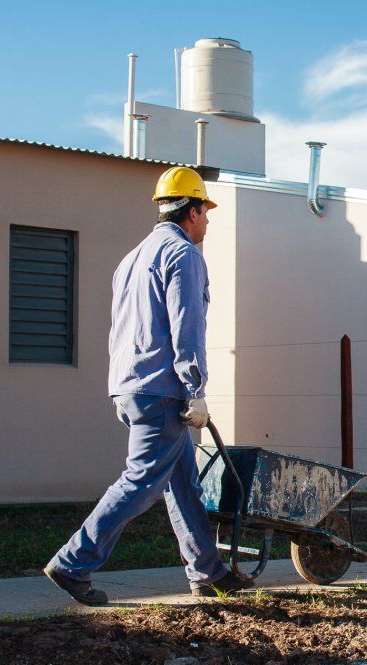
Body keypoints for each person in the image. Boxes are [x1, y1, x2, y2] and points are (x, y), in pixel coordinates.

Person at [44, 167, 252, 605]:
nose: (209, 222)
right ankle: (73, 562)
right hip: (162, 390)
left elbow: (123, 327)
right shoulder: (183, 255)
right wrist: (195, 387)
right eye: (206, 212)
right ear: (192, 211)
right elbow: (187, 325)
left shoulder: (134, 257)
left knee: (182, 484)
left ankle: (208, 572)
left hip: (129, 385)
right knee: (139, 481)